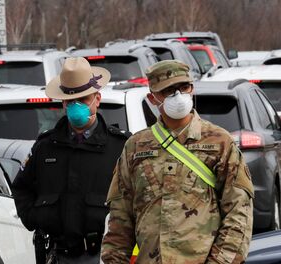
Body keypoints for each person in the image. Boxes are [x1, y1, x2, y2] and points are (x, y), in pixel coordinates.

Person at [101, 60, 254, 264]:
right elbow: (120, 219)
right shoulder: (136, 147)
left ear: (192, 88)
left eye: (184, 87)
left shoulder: (220, 142)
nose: (178, 96)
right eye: (168, 91)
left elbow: (239, 213)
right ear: (153, 98)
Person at [12, 57, 131, 264]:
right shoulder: (46, 146)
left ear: (97, 99)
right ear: (63, 104)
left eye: (83, 99)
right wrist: (36, 217)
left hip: (106, 255)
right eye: (70, 101)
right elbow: (22, 187)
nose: (76, 106)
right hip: (59, 254)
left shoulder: (120, 146)